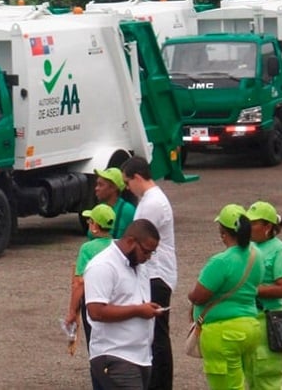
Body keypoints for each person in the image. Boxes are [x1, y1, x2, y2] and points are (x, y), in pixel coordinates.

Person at [187, 204, 264, 390]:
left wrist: (190, 296)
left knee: (226, 386)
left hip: (223, 334)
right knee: (240, 382)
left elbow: (198, 296)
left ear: (223, 232)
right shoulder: (257, 254)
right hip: (250, 327)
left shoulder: (221, 262)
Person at [84, 219, 165, 390]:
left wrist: (146, 308)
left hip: (141, 356)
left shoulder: (138, 264)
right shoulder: (103, 266)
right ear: (130, 241)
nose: (148, 257)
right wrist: (138, 310)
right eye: (146, 252)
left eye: (152, 253)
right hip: (115, 355)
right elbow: (96, 311)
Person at [121, 156, 176, 390]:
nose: (127, 188)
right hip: (156, 272)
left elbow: (138, 238)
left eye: (127, 182)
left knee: (158, 334)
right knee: (156, 333)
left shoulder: (152, 203)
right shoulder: (151, 199)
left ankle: (160, 384)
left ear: (138, 177)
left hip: (156, 274)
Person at [244, 201, 282, 390]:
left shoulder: (279, 250)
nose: (248, 227)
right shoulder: (247, 247)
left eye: (253, 223)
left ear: (267, 226)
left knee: (267, 376)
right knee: (249, 374)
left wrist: (252, 289)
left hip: (268, 319)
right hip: (248, 317)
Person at [65, 203, 116, 390]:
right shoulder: (117, 245)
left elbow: (80, 283)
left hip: (93, 304)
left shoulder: (87, 249)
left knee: (96, 350)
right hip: (114, 303)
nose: (88, 225)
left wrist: (72, 312)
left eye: (89, 221)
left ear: (94, 226)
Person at [94, 168, 136, 239]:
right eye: (97, 184)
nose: (96, 188)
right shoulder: (99, 208)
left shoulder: (128, 210)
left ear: (113, 188)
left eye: (101, 185)